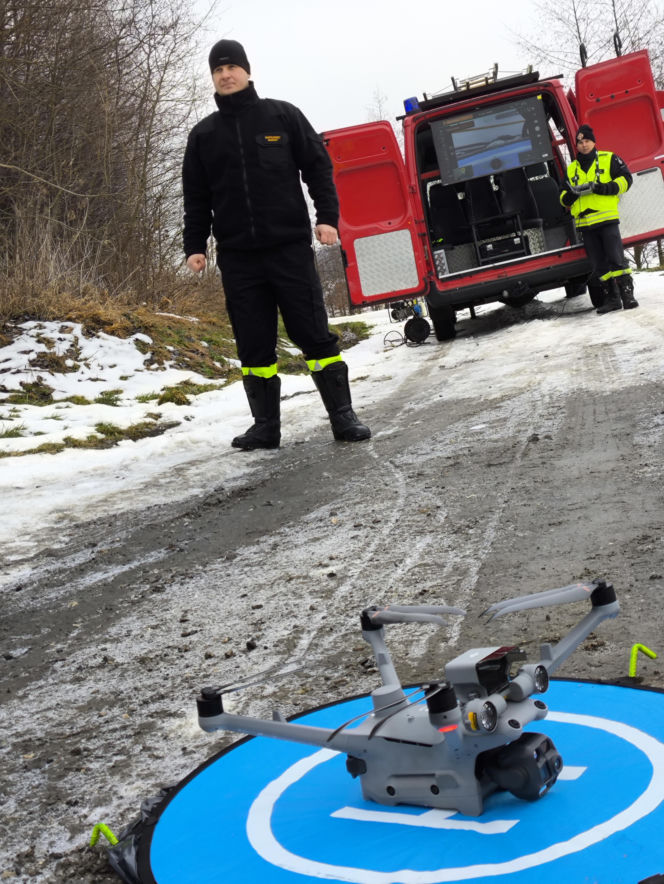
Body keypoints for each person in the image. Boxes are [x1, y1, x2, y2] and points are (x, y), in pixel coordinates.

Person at [182, 39, 371, 450]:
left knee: (314, 334)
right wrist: (194, 245)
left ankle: (343, 416)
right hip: (238, 258)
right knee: (253, 342)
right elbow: (196, 197)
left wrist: (326, 218)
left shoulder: (282, 116)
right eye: (218, 70)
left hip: (288, 249)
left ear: (247, 71)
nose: (225, 75)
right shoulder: (203, 136)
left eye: (231, 67)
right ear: (212, 77)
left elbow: (318, 168)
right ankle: (265, 427)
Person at [560, 124, 638, 314]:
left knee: (616, 260)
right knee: (599, 265)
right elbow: (562, 198)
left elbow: (626, 179)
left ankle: (627, 295)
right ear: (576, 145)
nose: (584, 145)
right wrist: (571, 195)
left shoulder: (609, 158)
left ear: (594, 142)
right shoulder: (571, 169)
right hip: (585, 224)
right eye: (580, 142)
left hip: (606, 219)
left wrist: (605, 188)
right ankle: (612, 299)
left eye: (587, 141)